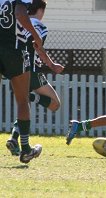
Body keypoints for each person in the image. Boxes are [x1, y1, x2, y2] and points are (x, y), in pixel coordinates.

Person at [1, 0, 63, 163]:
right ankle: (26, 149)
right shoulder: (38, 24)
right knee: (36, 103)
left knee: (24, 101)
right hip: (19, 58)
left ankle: (14, 138)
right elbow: (22, 16)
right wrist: (36, 37)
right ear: (41, 10)